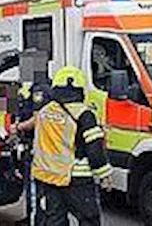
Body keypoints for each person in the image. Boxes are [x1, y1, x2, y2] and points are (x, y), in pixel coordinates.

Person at [30, 67, 112, 226]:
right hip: (77, 178)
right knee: (89, 219)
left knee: (54, 220)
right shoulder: (84, 114)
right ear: (81, 89)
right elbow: (94, 150)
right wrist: (104, 174)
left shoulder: (44, 112)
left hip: (49, 176)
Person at [9, 82, 49, 226]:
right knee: (29, 187)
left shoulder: (41, 89)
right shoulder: (24, 88)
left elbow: (39, 118)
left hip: (37, 147)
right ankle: (31, 216)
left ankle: (38, 220)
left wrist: (19, 127)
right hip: (26, 144)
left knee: (36, 189)